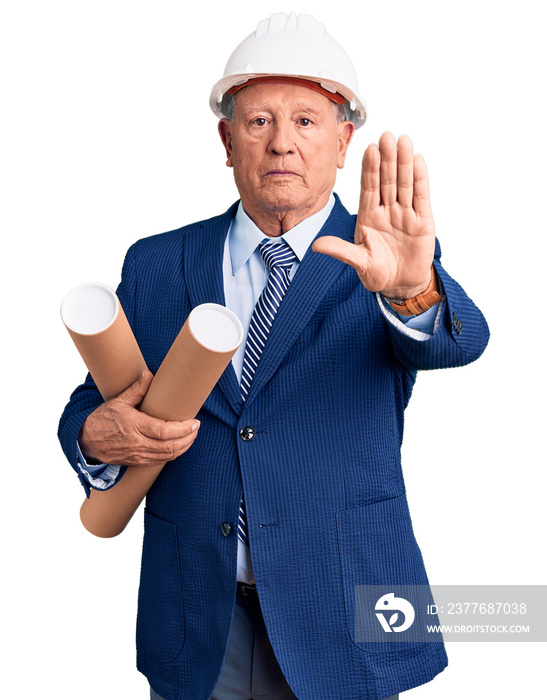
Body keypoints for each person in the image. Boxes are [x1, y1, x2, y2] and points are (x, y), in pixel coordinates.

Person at [58, 12, 489, 700]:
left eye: (306, 122)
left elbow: (456, 341)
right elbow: (91, 402)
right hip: (198, 610)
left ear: (344, 140)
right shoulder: (157, 263)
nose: (281, 143)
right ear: (226, 141)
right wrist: (92, 434)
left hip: (345, 600)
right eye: (257, 123)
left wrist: (411, 290)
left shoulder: (384, 254)